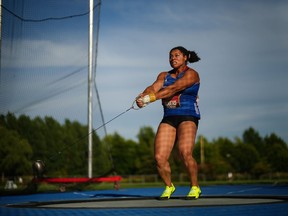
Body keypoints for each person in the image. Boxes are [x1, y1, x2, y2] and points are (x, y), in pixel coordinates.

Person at [136, 46, 201, 200]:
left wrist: (150, 99)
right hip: (169, 117)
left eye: (177, 55)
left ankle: (195, 187)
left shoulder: (192, 74)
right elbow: (154, 87)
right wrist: (143, 96)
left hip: (188, 116)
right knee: (159, 157)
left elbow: (173, 88)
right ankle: (169, 186)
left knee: (184, 152)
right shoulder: (164, 75)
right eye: (170, 56)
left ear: (185, 57)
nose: (173, 58)